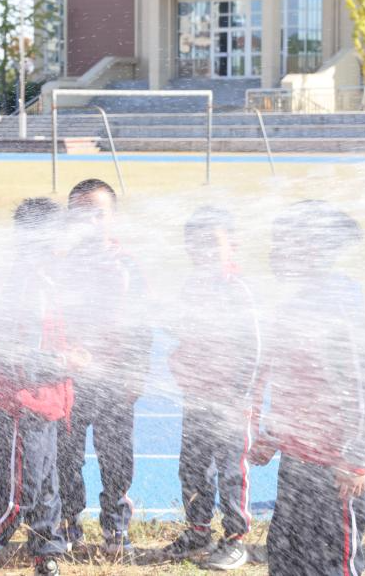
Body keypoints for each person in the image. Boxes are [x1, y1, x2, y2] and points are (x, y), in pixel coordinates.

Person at [249, 200, 365, 576]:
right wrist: (273, 435)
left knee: (334, 562)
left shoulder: (339, 303)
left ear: (313, 249)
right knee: (286, 553)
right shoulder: (295, 304)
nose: (275, 252)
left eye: (285, 242)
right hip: (298, 461)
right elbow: (297, 386)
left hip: (336, 467)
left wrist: (357, 458)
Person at [0, 197, 71, 576]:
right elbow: (21, 355)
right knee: (19, 491)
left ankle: (46, 549)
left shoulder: (51, 279)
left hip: (47, 403)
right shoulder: (27, 286)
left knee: (48, 483)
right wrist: (70, 361)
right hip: (23, 406)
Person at [160, 206, 261, 570]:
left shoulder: (239, 289)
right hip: (197, 397)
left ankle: (236, 538)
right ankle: (198, 530)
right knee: (193, 466)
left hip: (231, 400)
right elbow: (185, 335)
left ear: (232, 245)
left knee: (232, 470)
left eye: (211, 243)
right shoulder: (192, 286)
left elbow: (254, 347)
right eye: (195, 244)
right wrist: (180, 361)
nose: (202, 251)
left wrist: (239, 394)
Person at [57, 179, 150, 559]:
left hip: (115, 381)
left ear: (114, 218)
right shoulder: (60, 265)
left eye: (98, 213)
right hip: (72, 382)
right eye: (80, 213)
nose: (90, 221)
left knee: (116, 458)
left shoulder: (128, 265)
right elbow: (53, 321)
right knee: (66, 457)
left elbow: (142, 326)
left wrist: (136, 372)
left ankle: (115, 524)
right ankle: (68, 523)